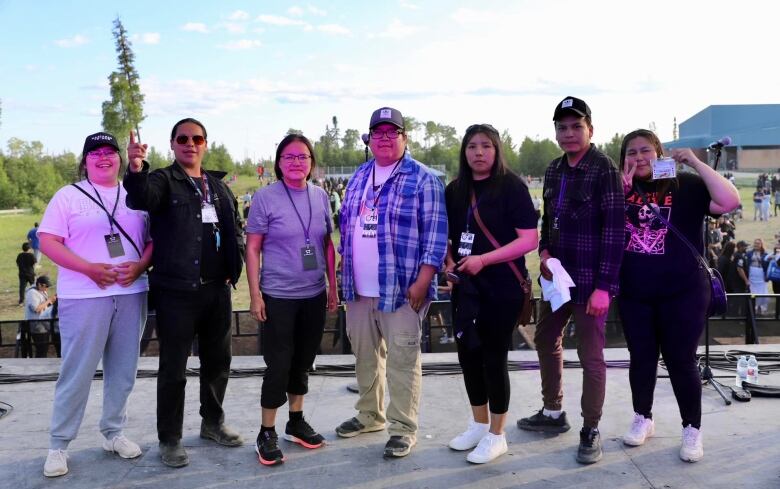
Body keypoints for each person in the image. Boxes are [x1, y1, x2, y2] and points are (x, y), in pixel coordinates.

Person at [124, 119, 245, 468]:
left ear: (205, 143)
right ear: (173, 144)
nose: (190, 143)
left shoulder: (218, 187)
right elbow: (140, 197)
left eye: (197, 138)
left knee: (218, 363)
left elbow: (234, 230)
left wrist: (231, 272)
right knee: (174, 369)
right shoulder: (162, 180)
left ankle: (212, 423)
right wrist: (135, 168)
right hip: (176, 292)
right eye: (183, 139)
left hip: (217, 291)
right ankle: (170, 438)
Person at [617, 129, 739, 462]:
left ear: (660, 154)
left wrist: (696, 163)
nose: (639, 157)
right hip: (634, 293)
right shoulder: (618, 190)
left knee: (681, 362)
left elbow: (729, 201)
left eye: (646, 150)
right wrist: (619, 194)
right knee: (640, 358)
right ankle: (643, 417)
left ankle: (692, 429)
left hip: (683, 293)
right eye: (631, 152)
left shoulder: (686, 185)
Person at [516, 96, 624, 465]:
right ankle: (552, 411)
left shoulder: (603, 168)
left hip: (591, 280)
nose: (569, 133)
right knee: (546, 337)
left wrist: (604, 287)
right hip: (558, 279)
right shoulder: (554, 169)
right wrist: (544, 253)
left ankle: (591, 428)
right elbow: (548, 220)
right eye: (562, 127)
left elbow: (614, 231)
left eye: (576, 126)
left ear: (590, 129)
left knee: (591, 356)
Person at [335, 107, 447, 458]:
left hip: (401, 288)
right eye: (378, 132)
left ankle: (402, 428)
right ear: (368, 139)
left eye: (392, 131)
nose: (384, 137)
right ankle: (370, 415)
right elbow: (348, 228)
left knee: (402, 359)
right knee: (365, 357)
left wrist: (424, 280)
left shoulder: (423, 178)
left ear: (404, 137)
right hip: (359, 290)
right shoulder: (359, 176)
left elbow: (435, 235)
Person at [38, 132, 152, 477]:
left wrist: (141, 265)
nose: (104, 158)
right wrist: (88, 269)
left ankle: (113, 432)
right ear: (85, 160)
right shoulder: (68, 196)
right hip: (84, 295)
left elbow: (153, 240)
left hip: (132, 293)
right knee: (77, 372)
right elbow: (48, 241)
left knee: (123, 369)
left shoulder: (136, 193)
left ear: (120, 158)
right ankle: (59, 444)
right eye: (95, 153)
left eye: (110, 152)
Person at [444, 124, 539, 464]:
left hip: (502, 287)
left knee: (493, 358)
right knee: (468, 355)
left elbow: (529, 239)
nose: (479, 152)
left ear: (497, 150)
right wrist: (451, 262)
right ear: (464, 152)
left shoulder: (511, 186)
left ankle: (497, 434)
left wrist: (484, 259)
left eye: (486, 145)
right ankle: (478, 423)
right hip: (467, 288)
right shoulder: (455, 189)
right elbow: (448, 238)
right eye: (472, 146)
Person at [245, 134, 339, 466]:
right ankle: (266, 430)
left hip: (313, 294)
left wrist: (333, 286)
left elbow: (326, 244)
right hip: (277, 295)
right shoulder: (265, 198)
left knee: (302, 361)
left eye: (303, 157)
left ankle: (296, 421)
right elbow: (253, 247)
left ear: (312, 162)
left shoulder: (320, 196)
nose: (296, 162)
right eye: (289, 157)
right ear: (279, 162)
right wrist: (255, 294)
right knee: (279, 364)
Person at [24, 275, 56, 358]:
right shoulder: (32, 293)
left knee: (44, 348)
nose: (47, 289)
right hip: (36, 325)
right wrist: (49, 300)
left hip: (43, 324)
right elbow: (37, 309)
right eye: (46, 286)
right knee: (41, 349)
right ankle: (37, 367)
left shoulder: (42, 291)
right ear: (39, 284)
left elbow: (44, 306)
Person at [746, 238, 770, 315]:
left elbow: (767, 265)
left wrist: (767, 275)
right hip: (752, 273)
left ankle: (761, 307)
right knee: (753, 290)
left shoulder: (765, 254)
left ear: (761, 245)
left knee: (762, 290)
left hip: (761, 274)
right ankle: (754, 307)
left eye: (758, 243)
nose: (756, 245)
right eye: (755, 243)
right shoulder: (749, 253)